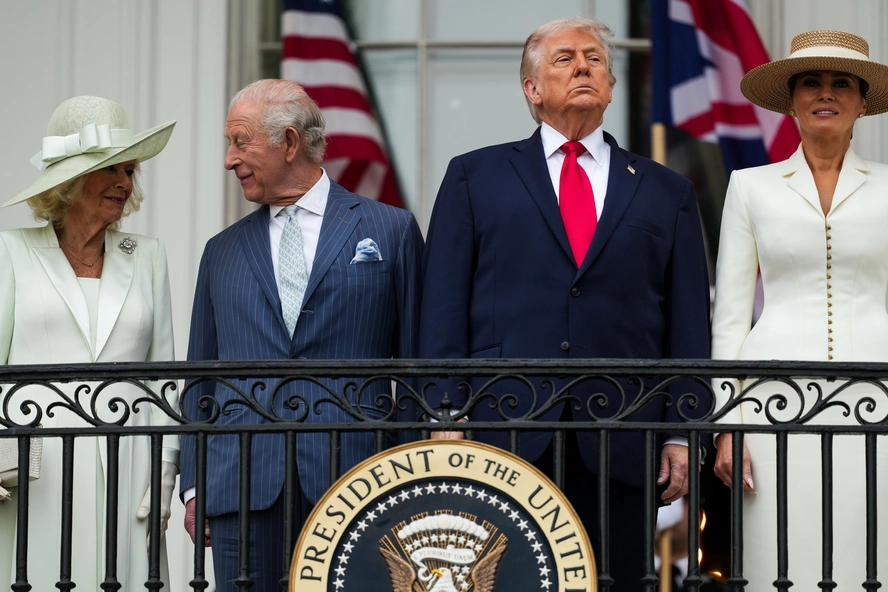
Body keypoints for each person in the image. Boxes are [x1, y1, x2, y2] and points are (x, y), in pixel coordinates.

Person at [418, 17, 711, 590]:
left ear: (610, 84)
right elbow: (443, 305)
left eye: (594, 59)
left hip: (625, 432)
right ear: (531, 88)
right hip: (503, 426)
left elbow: (687, 320)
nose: (582, 66)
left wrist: (682, 431)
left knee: (618, 580)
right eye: (564, 58)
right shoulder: (473, 176)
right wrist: (444, 414)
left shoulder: (664, 189)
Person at [180, 79, 423, 591]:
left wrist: (411, 472)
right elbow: (200, 376)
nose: (229, 159)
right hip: (241, 483)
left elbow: (420, 365)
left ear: (289, 142)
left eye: (240, 141)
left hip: (360, 479)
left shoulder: (391, 230)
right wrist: (195, 483)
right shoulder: (220, 251)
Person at [711, 30, 888, 590]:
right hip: (770, 404)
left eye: (841, 83)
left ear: (862, 101)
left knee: (875, 554)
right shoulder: (749, 186)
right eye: (810, 82)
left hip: (879, 396)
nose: (825, 93)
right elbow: (731, 316)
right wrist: (726, 422)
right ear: (791, 99)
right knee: (778, 557)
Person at [0, 96, 178, 589]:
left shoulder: (147, 256)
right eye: (111, 169)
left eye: (130, 170)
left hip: (131, 461)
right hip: (35, 469)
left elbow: (164, 376)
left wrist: (166, 470)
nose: (125, 182)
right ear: (70, 182)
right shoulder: (10, 252)